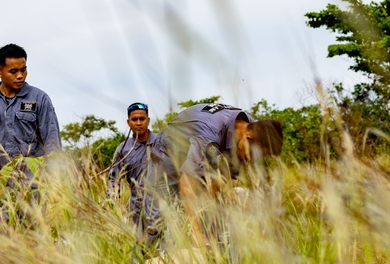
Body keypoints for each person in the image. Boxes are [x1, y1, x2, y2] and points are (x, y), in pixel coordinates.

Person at [0, 43, 61, 181]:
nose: (20, 76)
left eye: (23, 70)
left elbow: (52, 143)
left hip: (34, 186)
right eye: (13, 71)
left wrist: (54, 181)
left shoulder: (40, 99)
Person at [163, 100, 283, 191]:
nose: (253, 161)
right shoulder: (211, 130)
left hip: (199, 147)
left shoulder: (253, 127)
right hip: (164, 153)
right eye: (254, 155)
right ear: (248, 138)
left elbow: (220, 180)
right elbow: (188, 182)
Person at [107, 102, 178, 247]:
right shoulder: (123, 149)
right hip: (136, 213)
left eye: (142, 119)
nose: (138, 123)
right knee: (139, 253)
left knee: (167, 254)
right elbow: (113, 181)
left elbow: (177, 173)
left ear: (148, 120)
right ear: (128, 122)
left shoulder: (163, 143)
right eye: (134, 120)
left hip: (164, 211)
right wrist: (112, 209)